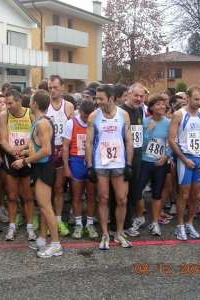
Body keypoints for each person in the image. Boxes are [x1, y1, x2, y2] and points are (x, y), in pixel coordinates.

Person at [11, 89, 63, 258]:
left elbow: (48, 150)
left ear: (35, 104)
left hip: (43, 168)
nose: (28, 101)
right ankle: (42, 239)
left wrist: (25, 161)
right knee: (43, 206)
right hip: (40, 167)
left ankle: (55, 245)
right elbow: (39, 145)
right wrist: (24, 149)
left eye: (31, 99)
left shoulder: (42, 122)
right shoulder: (40, 120)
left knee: (46, 207)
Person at [85, 84, 134, 249]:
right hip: (101, 163)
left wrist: (129, 165)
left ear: (111, 98)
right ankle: (105, 233)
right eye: (96, 98)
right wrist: (90, 166)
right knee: (104, 199)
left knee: (122, 199)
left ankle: (119, 233)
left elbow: (129, 140)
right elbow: (89, 142)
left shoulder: (123, 115)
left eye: (101, 99)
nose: (98, 101)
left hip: (119, 162)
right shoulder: (94, 116)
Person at [168, 85, 200, 241]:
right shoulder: (179, 115)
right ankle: (180, 225)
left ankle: (190, 223)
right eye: (196, 99)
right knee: (184, 194)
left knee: (197, 194)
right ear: (187, 98)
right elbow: (171, 140)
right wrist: (183, 159)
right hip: (185, 158)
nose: (199, 102)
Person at [0, 88, 37, 241]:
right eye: (6, 103)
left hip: (27, 158)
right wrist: (13, 152)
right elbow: (3, 139)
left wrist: (22, 150)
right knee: (12, 196)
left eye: (10, 103)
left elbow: (35, 138)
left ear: (19, 101)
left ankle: (29, 227)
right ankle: (12, 226)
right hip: (12, 158)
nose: (7, 106)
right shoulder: (4, 115)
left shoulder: (30, 114)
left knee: (28, 196)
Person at [110, 83, 144, 237]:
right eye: (135, 95)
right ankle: (114, 225)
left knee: (132, 193)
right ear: (128, 95)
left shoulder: (140, 111)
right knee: (117, 195)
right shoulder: (120, 111)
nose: (138, 99)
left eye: (141, 96)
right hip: (120, 159)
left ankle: (128, 224)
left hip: (136, 158)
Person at [137, 94, 172, 236]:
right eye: (158, 104)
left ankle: (156, 222)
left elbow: (172, 142)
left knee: (157, 193)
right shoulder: (145, 122)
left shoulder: (169, 123)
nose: (162, 106)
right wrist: (149, 130)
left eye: (163, 104)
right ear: (151, 107)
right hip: (145, 161)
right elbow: (140, 144)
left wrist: (167, 155)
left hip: (160, 163)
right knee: (139, 191)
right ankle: (140, 218)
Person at [62, 100, 98, 239]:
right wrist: (66, 167)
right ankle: (78, 224)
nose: (86, 120)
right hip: (77, 161)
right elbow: (65, 147)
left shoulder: (96, 122)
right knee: (76, 195)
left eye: (88, 117)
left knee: (91, 195)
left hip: (92, 162)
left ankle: (89, 223)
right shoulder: (71, 123)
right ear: (79, 111)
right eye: (84, 117)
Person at [45, 75, 75, 236]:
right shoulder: (45, 105)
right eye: (50, 88)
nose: (52, 90)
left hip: (62, 150)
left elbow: (73, 129)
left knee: (58, 188)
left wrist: (66, 148)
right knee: (47, 188)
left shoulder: (68, 106)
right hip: (47, 151)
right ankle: (49, 221)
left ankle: (57, 220)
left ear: (62, 87)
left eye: (55, 87)